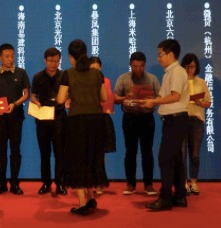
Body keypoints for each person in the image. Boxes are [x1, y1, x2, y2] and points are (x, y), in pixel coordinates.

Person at [56, 39, 109, 216]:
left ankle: (81, 203)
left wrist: (71, 95)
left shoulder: (68, 74)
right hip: (96, 119)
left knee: (77, 159)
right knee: (92, 157)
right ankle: (91, 196)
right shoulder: (97, 74)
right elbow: (103, 97)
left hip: (77, 120)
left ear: (71, 57)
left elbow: (60, 100)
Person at [142, 39, 189, 211]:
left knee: (165, 159)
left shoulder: (177, 72)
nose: (158, 58)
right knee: (176, 159)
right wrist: (150, 100)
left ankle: (165, 198)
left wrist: (154, 101)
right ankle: (180, 196)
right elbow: (163, 97)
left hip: (176, 120)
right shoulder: (169, 72)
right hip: (172, 120)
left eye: (160, 55)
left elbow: (175, 96)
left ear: (171, 54)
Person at [113, 51, 161, 196]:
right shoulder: (123, 78)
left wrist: (152, 100)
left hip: (147, 118)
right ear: (130, 65)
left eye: (141, 66)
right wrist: (125, 97)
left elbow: (160, 97)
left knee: (147, 152)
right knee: (130, 152)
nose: (138, 69)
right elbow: (115, 98)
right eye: (135, 66)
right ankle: (131, 184)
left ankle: (148, 184)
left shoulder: (152, 79)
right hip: (130, 118)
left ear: (144, 65)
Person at [0, 43, 30, 195]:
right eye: (7, 56)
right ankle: (1, 183)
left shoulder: (21, 73)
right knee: (0, 149)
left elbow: (26, 94)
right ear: (0, 57)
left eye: (12, 56)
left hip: (16, 117)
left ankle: (14, 183)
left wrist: (14, 104)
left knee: (15, 149)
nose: (10, 59)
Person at [31, 47, 67, 196]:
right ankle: (46, 183)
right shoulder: (38, 77)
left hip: (59, 117)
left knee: (60, 153)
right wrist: (36, 102)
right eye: (51, 61)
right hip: (43, 118)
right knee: (44, 153)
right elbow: (33, 96)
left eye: (56, 61)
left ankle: (60, 184)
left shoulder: (64, 76)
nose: (54, 64)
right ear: (45, 60)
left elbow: (69, 94)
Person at [180, 53, 212, 196]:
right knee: (181, 154)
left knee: (194, 154)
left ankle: (193, 182)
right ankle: (182, 183)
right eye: (187, 66)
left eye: (192, 66)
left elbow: (208, 102)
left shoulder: (201, 82)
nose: (189, 69)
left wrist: (200, 103)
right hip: (182, 119)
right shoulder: (179, 82)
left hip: (196, 120)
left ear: (196, 67)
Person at [88, 56, 116, 195]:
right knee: (88, 152)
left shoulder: (106, 81)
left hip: (102, 118)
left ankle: (99, 182)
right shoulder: (84, 81)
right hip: (88, 118)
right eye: (92, 69)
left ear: (101, 68)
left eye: (97, 69)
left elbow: (107, 99)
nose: (95, 72)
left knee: (101, 152)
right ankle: (88, 182)